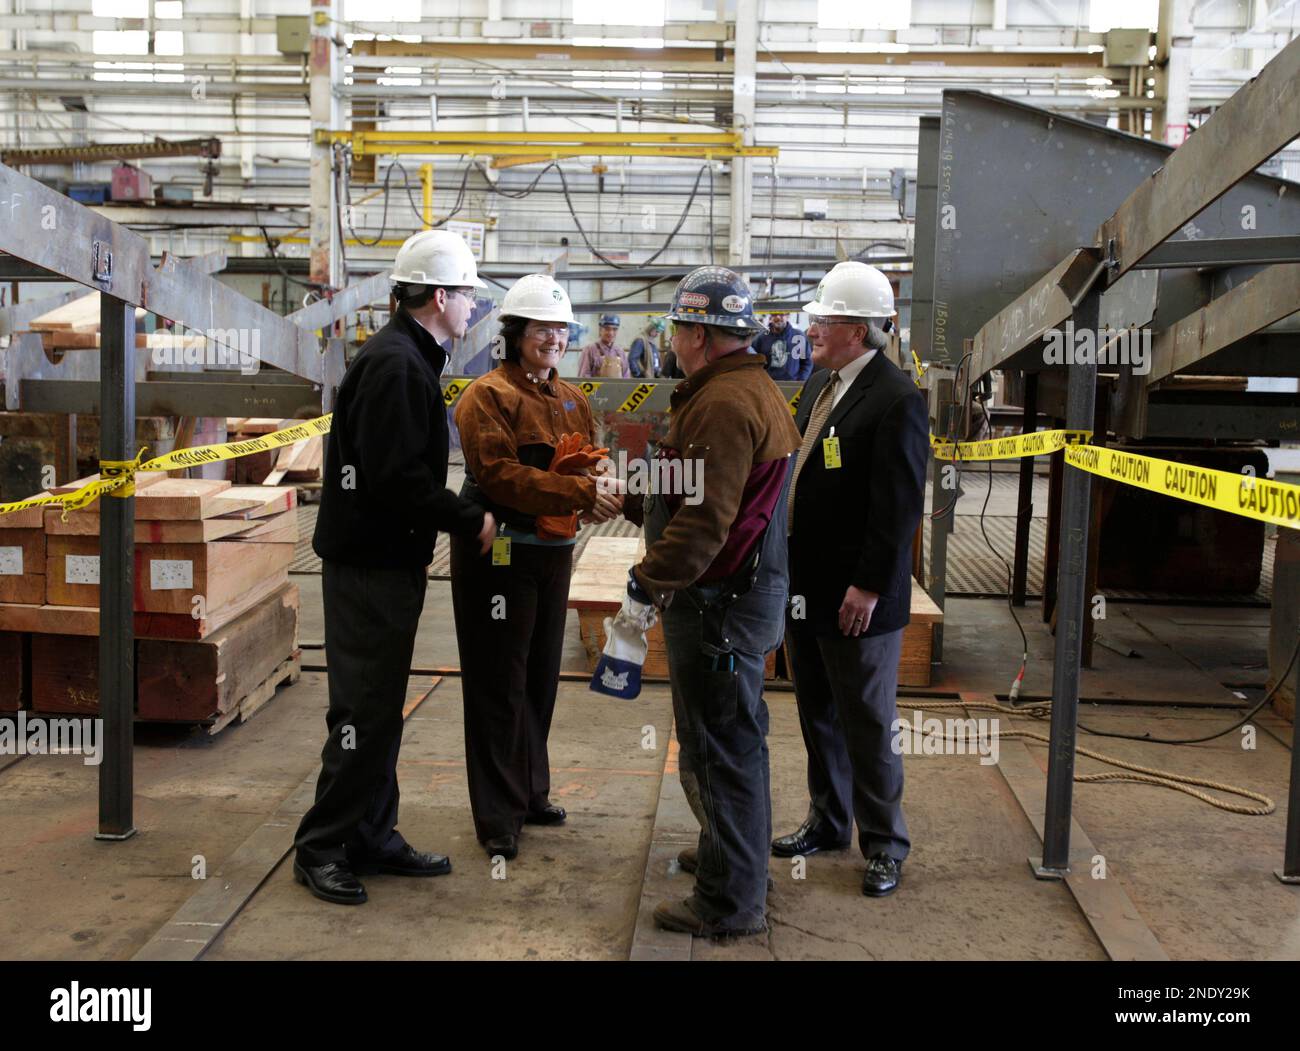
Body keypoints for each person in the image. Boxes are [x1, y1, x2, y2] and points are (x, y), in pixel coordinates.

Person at [597, 266, 801, 938]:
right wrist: (632, 499)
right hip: (735, 598)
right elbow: (694, 488)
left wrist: (646, 583)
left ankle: (728, 899)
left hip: (718, 605)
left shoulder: (721, 402)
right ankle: (731, 854)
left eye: (680, 327)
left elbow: (706, 523)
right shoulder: (734, 388)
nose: (672, 337)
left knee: (719, 748)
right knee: (734, 741)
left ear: (705, 335)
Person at [295, 229, 496, 906]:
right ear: (439, 296)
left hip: (383, 559)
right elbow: (396, 480)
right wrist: (470, 517)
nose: (472, 307)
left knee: (380, 710)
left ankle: (371, 833)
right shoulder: (397, 365)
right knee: (365, 710)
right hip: (368, 566)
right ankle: (321, 845)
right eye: (467, 294)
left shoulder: (409, 356)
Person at [451, 274, 623, 861]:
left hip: (553, 555)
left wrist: (601, 486)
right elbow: (500, 476)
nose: (553, 338)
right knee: (499, 681)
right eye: (541, 328)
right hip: (500, 554)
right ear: (516, 333)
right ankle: (498, 818)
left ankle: (529, 793)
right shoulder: (487, 397)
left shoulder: (572, 398)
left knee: (539, 678)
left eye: (560, 328)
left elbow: (588, 464)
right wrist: (578, 495)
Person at [776, 260, 928, 898]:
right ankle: (829, 820)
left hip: (856, 594)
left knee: (866, 718)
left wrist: (867, 587)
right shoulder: (819, 386)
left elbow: (897, 508)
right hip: (807, 585)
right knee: (818, 712)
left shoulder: (896, 399)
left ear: (859, 331)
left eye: (825, 319)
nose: (812, 326)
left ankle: (886, 845)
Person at [752, 312, 812, 383]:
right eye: (774, 314)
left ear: (788, 315)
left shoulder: (798, 336)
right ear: (770, 317)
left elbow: (807, 362)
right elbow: (753, 363)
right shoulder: (761, 338)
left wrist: (800, 380)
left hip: (793, 385)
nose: (777, 317)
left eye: (781, 314)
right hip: (768, 385)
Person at [577, 313, 630, 377]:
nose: (611, 333)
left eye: (614, 329)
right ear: (600, 330)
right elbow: (584, 377)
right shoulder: (589, 350)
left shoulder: (620, 352)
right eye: (607, 329)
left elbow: (626, 377)